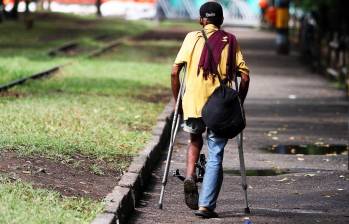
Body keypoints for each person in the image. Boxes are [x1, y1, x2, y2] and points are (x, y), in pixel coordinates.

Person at [171, 1, 250, 219]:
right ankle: (206, 205)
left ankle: (189, 176)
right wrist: (238, 102)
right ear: (221, 21)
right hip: (220, 108)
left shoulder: (191, 38)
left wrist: (177, 100)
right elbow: (244, 77)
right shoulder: (230, 40)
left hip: (194, 101)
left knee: (195, 140)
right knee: (215, 154)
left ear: (201, 20)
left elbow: (175, 70)